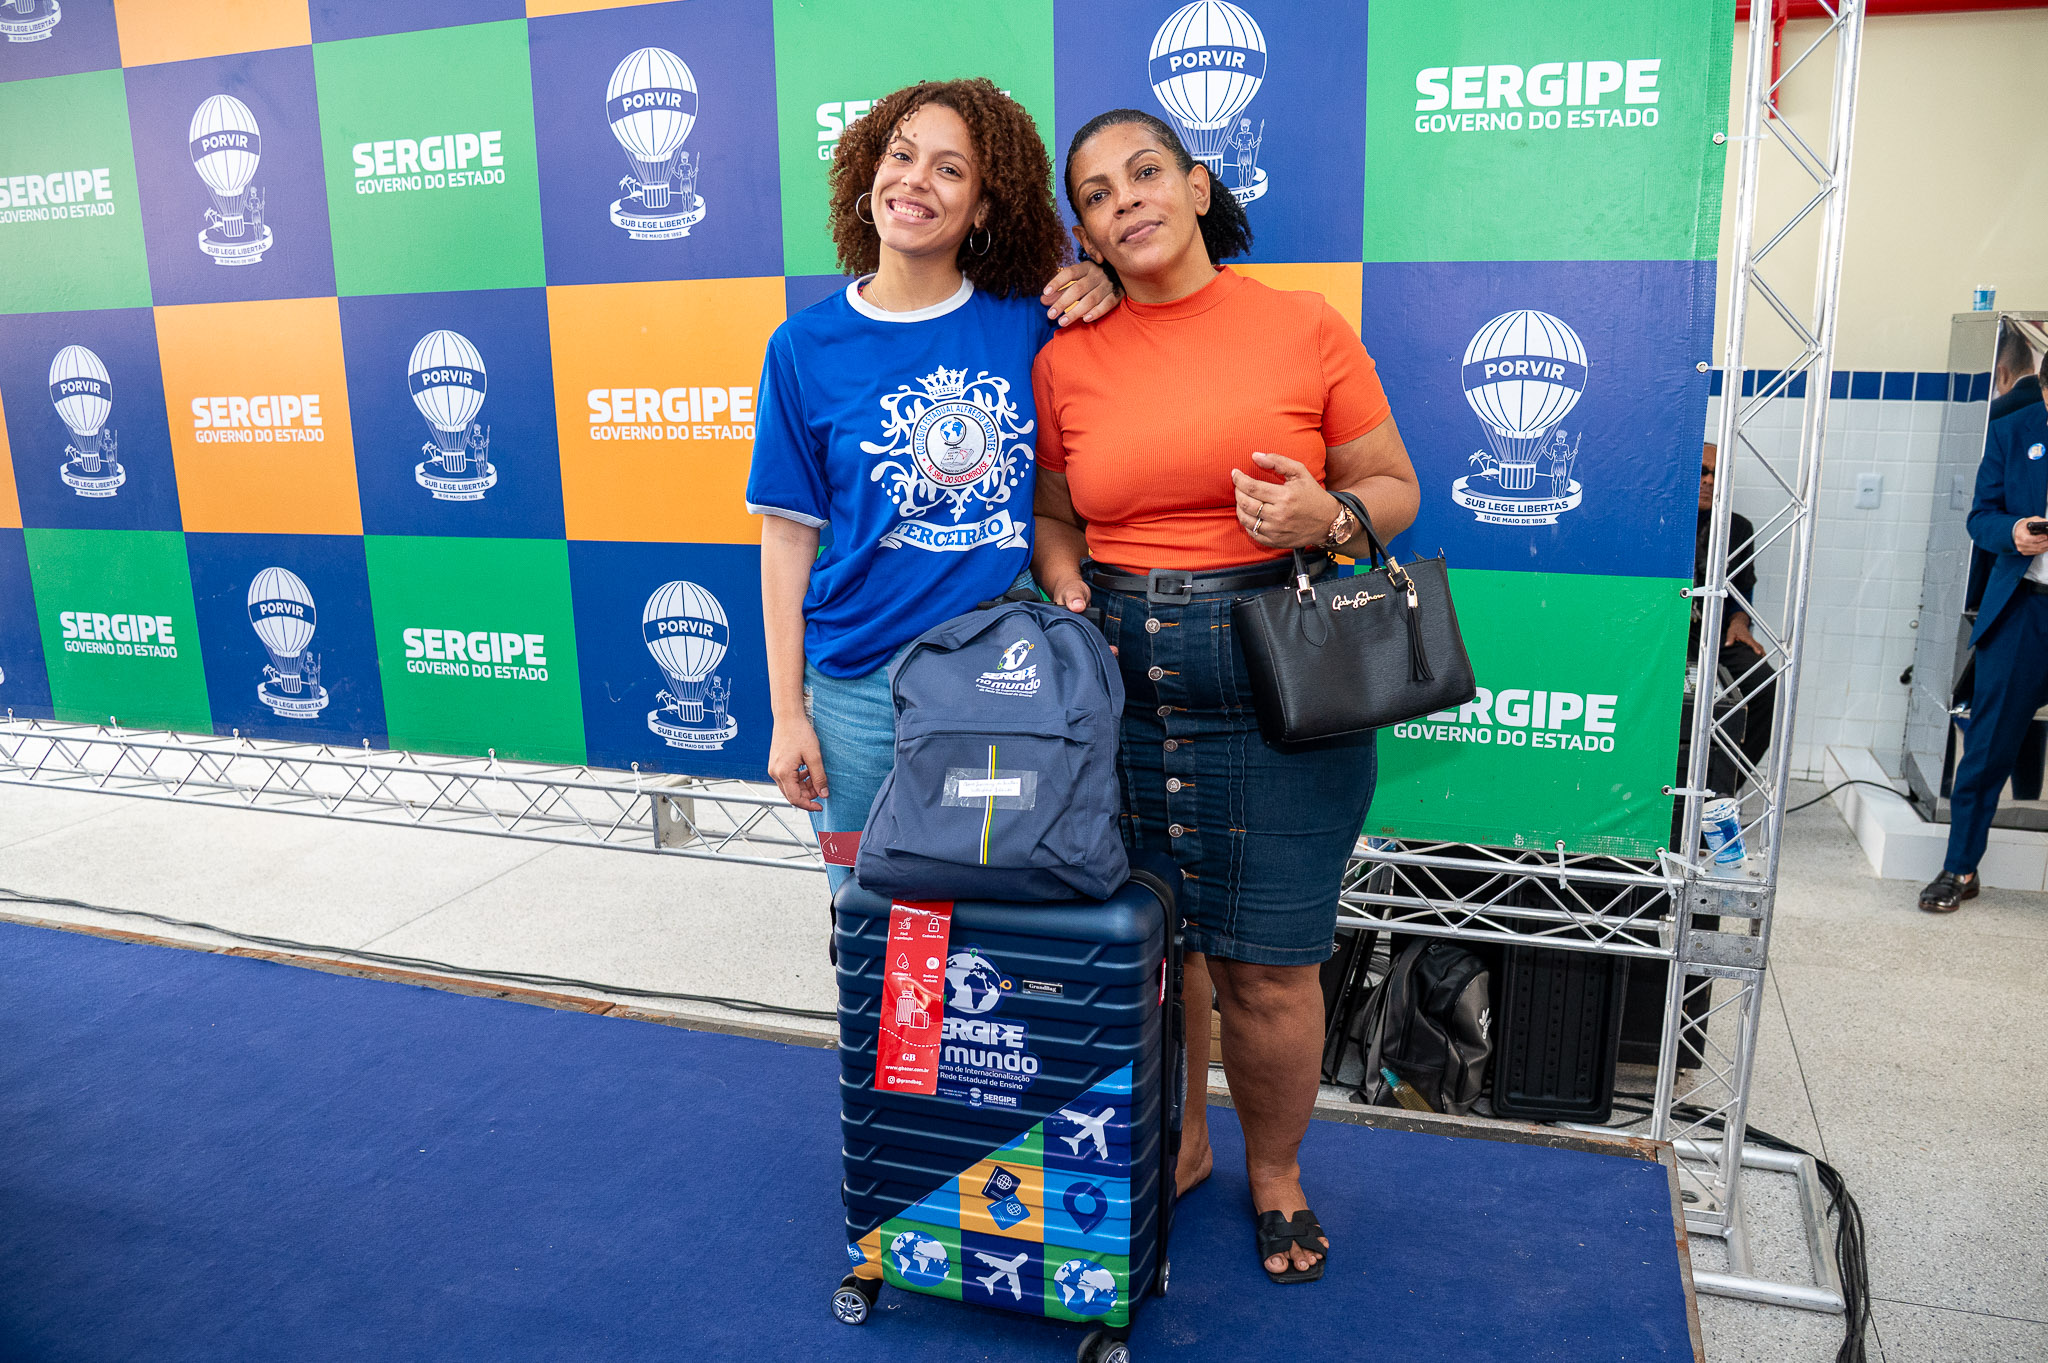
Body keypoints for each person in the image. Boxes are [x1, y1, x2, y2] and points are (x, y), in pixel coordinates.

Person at [1032, 109, 1419, 1284]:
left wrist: (1326, 516)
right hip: (1119, 686)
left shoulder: (1303, 325)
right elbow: (1054, 512)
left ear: (1197, 187)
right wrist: (1064, 584)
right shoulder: (1062, 356)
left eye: (1144, 173)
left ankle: (1277, 1174)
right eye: (1096, 194)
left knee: (1267, 964)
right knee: (1155, 951)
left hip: (1278, 676)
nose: (1125, 201)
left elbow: (1393, 487)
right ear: (1084, 232)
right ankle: (1183, 1143)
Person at [744, 79, 1117, 905]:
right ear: (869, 174)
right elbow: (788, 538)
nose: (915, 180)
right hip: (857, 692)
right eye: (901, 155)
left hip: (1001, 680)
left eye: (950, 169)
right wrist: (787, 713)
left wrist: (1107, 284)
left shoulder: (1029, 320)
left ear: (982, 208)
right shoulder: (803, 346)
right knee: (871, 916)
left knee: (997, 913)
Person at [1921, 354, 2048, 912]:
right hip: (2024, 608)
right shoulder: (2013, 430)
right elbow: (1980, 517)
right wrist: (2013, 531)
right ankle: (1960, 869)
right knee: (1988, 744)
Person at [1696, 442, 1775, 774]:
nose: (1709, 480)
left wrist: (1740, 622)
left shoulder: (1738, 528)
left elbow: (1742, 592)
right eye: (1702, 471)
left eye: (1717, 474)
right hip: (1661, 635)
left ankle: (1723, 788)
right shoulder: (1659, 519)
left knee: (1764, 684)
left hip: (1716, 636)